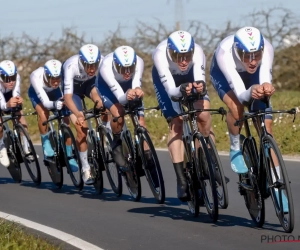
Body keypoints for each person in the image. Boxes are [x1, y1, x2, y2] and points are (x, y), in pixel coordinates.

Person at [209, 26, 286, 211]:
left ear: (261, 50)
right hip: (227, 78)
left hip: (253, 81)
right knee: (237, 107)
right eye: (246, 55)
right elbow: (241, 93)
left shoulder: (267, 48)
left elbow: (265, 76)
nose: (252, 61)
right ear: (237, 50)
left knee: (267, 128)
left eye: (256, 55)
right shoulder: (224, 54)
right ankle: (235, 146)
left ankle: (277, 186)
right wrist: (252, 91)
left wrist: (266, 88)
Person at [152, 30, 212, 201]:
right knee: (177, 123)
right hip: (169, 84)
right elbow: (172, 91)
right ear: (170, 52)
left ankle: (207, 160)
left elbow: (200, 81)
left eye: (187, 55)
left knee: (204, 113)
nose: (183, 60)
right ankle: (181, 179)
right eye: (178, 55)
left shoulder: (199, 52)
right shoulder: (160, 55)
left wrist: (200, 88)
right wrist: (182, 90)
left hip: (190, 77)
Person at [96, 45, 147, 172]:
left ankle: (146, 155)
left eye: (130, 68)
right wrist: (128, 93)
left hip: (128, 87)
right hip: (108, 90)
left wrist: (138, 90)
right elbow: (120, 97)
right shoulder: (106, 67)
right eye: (123, 69)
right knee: (119, 114)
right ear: (115, 65)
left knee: (141, 123)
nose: (127, 72)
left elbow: (136, 84)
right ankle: (116, 143)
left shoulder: (139, 62)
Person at [62, 44, 104, 184]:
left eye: (95, 65)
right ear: (81, 61)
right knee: (82, 127)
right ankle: (86, 169)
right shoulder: (71, 66)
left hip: (89, 85)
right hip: (72, 91)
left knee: (102, 104)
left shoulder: (102, 61)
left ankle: (106, 136)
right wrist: (78, 114)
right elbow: (67, 98)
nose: (92, 69)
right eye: (88, 65)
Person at [28, 59, 78, 172]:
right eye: (52, 79)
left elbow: (67, 94)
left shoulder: (62, 75)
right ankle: (46, 143)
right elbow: (46, 102)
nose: (56, 82)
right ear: (46, 75)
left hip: (55, 93)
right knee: (44, 113)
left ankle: (69, 154)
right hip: (37, 94)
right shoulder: (36, 76)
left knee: (65, 119)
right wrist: (55, 104)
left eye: (58, 79)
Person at [0, 60, 33, 167]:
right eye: (7, 79)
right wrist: (7, 105)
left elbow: (15, 93)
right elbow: (3, 105)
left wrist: (17, 100)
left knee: (21, 117)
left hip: (8, 95)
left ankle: (26, 148)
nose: (11, 82)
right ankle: (1, 149)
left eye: (13, 78)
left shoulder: (16, 78)